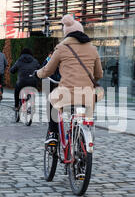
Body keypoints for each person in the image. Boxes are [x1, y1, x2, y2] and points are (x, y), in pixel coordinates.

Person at [36, 14, 103, 144]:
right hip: (88, 96)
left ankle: (53, 134)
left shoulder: (61, 48)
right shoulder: (93, 49)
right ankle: (81, 142)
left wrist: (37, 74)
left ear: (66, 33)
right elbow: (99, 74)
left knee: (51, 100)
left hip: (66, 94)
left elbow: (47, 71)